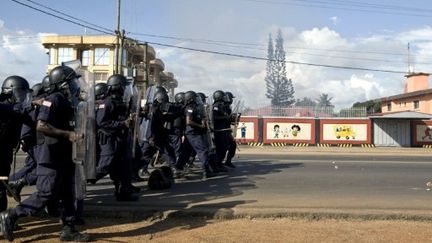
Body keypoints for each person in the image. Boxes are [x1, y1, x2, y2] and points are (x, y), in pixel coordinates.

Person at [0, 66, 91, 242]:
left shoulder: (67, 101)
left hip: (64, 155)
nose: (74, 85)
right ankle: (12, 214)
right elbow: (41, 125)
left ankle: (69, 229)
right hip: (50, 156)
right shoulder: (53, 99)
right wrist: (69, 134)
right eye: (71, 82)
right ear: (63, 84)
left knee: (68, 193)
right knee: (46, 193)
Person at [94, 74, 139, 201]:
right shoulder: (106, 103)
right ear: (117, 87)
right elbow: (101, 122)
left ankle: (123, 192)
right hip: (109, 139)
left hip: (121, 138)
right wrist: (122, 123)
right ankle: (79, 183)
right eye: (123, 87)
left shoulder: (121, 102)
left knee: (123, 166)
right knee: (105, 165)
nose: (125, 89)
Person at [7, 82, 47, 202]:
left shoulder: (33, 103)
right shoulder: (35, 105)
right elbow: (28, 123)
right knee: (42, 168)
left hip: (33, 141)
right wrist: (25, 139)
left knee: (31, 166)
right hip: (34, 142)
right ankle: (15, 183)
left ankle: (12, 183)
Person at [0, 75, 32, 212]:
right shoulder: (5, 108)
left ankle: (2, 217)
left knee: (2, 185)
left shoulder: (14, 110)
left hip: (5, 153)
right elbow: (15, 109)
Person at [176, 91, 217, 179]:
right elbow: (188, 121)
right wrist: (200, 125)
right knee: (202, 150)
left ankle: (178, 168)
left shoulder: (195, 107)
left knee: (185, 152)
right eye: (195, 98)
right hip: (193, 133)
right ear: (191, 98)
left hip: (191, 133)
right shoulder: (189, 108)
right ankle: (206, 171)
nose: (197, 100)